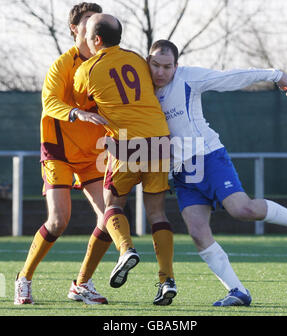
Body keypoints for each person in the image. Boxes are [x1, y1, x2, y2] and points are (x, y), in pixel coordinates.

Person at [147, 39, 287, 306]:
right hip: (183, 173)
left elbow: (230, 78)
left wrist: (275, 75)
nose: (160, 72)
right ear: (148, 62)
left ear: (176, 65)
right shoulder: (141, 87)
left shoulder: (188, 77)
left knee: (243, 210)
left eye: (167, 66)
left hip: (208, 157)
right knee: (197, 232)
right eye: (155, 64)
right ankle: (238, 291)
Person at [73, 14, 177, 306]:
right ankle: (166, 280)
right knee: (158, 214)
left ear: (96, 40)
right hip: (159, 139)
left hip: (126, 144)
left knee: (112, 206)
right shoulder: (137, 60)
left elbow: (81, 101)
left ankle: (126, 249)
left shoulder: (87, 69)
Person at [14, 2, 111, 306]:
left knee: (111, 218)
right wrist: (77, 114)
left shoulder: (108, 63)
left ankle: (81, 284)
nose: (95, 26)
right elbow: (50, 104)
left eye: (98, 21)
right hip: (59, 150)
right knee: (58, 221)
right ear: (75, 29)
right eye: (89, 21)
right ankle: (23, 279)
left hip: (94, 151)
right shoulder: (62, 65)